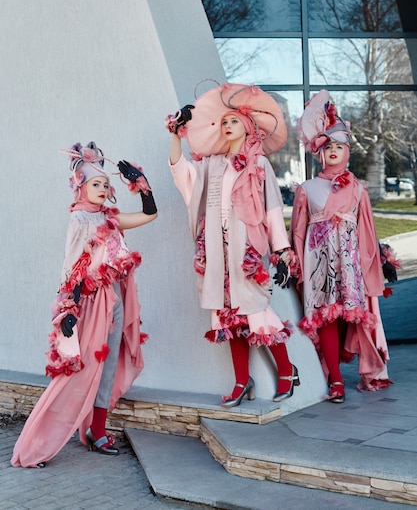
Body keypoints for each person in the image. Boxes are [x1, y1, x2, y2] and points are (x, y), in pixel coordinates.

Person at [11, 142, 157, 467]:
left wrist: (142, 184)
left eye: (106, 184)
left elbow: (150, 214)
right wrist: (69, 309)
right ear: (80, 185)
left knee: (106, 367)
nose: (103, 189)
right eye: (96, 184)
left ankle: (97, 430)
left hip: (115, 299)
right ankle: (37, 445)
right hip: (90, 302)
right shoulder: (79, 219)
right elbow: (72, 264)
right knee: (78, 371)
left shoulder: (111, 218)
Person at [166, 82, 299, 407]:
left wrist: (281, 251)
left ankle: (286, 369)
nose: (227, 126)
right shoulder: (212, 164)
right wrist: (175, 135)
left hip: (247, 250)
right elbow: (183, 174)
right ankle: (242, 381)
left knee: (256, 310)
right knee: (227, 316)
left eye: (233, 121)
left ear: (247, 126)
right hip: (217, 250)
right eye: (223, 122)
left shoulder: (259, 165)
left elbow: (271, 209)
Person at [290, 90, 396, 404]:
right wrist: (297, 264)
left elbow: (366, 230)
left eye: (339, 146)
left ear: (347, 150)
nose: (334, 151)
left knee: (349, 317)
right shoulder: (306, 189)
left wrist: (371, 264)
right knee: (324, 316)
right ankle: (335, 380)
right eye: (328, 147)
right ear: (319, 153)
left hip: (349, 263)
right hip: (318, 263)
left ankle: (366, 369)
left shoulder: (359, 189)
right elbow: (298, 231)